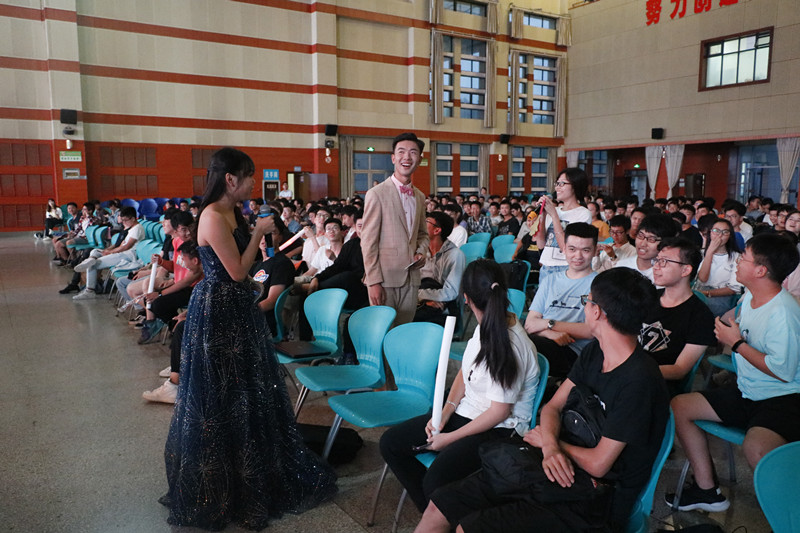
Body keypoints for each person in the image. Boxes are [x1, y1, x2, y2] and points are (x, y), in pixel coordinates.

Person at [416, 267, 669, 533]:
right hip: (549, 466)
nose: (585, 307)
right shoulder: (596, 352)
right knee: (439, 507)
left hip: (593, 497)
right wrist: (549, 446)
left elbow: (599, 464)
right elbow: (552, 407)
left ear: (597, 312)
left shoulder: (639, 382)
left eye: (587, 301)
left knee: (469, 528)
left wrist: (553, 444)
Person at [162, 147, 336, 530]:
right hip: (219, 311)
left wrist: (260, 236)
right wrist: (258, 232)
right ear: (230, 179)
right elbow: (238, 272)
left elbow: (249, 266)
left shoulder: (232, 211)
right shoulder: (212, 215)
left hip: (237, 308)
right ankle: (221, 481)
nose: (254, 183)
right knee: (221, 392)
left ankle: (249, 468)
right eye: (250, 176)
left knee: (246, 388)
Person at [381, 259, 539, 513]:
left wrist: (449, 439)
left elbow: (499, 412)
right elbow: (466, 373)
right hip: (468, 412)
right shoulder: (486, 325)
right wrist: (444, 413)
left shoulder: (511, 344)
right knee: (391, 443)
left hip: (498, 429)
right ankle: (434, 514)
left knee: (435, 481)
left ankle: (440, 515)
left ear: (466, 298)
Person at [668, 233, 800, 513]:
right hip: (747, 391)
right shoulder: (752, 295)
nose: (738, 262)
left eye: (744, 258)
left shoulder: (784, 313)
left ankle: (788, 516)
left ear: (760, 271)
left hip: (783, 398)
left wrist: (737, 343)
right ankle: (707, 489)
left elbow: (782, 371)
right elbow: (734, 319)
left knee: (757, 449)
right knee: (680, 406)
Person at [361, 132, 429, 325]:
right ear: (393, 158)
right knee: (382, 331)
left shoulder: (420, 196)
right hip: (384, 279)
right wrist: (373, 282)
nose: (407, 157)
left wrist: (421, 252)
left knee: (404, 331)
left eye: (413, 152)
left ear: (419, 159)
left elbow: (423, 234)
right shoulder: (376, 194)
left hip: (411, 279)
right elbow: (368, 242)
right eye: (401, 152)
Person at [642, 238, 715, 395]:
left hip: (660, 385)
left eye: (664, 262)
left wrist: (635, 372)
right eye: (657, 260)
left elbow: (679, 369)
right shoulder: (647, 298)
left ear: (685, 270)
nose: (656, 266)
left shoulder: (701, 316)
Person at [524, 222, 598, 378]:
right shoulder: (550, 280)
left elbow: (591, 331)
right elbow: (530, 324)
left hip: (572, 352)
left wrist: (550, 324)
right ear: (564, 249)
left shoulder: (599, 285)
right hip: (542, 340)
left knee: (519, 348)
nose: (578, 256)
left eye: (585, 250)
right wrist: (548, 333)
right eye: (572, 249)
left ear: (595, 251)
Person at [535, 168, 591, 285]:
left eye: (562, 184)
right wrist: (543, 215)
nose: (557, 188)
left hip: (565, 268)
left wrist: (554, 216)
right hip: (546, 267)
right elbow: (541, 244)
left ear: (575, 186)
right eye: (557, 183)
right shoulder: (554, 210)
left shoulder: (583, 213)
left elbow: (566, 248)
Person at [414, 211, 466, 326]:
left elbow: (451, 292)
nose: (421, 225)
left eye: (426, 222)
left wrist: (418, 295)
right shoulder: (420, 252)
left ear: (437, 230)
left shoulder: (455, 255)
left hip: (446, 307)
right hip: (420, 302)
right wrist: (421, 299)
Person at [695, 218, 742, 316]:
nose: (720, 235)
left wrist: (706, 293)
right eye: (716, 231)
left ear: (730, 236)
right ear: (710, 233)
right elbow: (703, 279)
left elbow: (732, 289)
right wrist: (709, 253)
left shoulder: (737, 257)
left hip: (721, 295)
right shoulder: (702, 253)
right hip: (700, 290)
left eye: (725, 232)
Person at [615, 213, 679, 284]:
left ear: (665, 243)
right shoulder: (622, 266)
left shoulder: (665, 275)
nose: (643, 244)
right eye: (640, 236)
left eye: (651, 239)